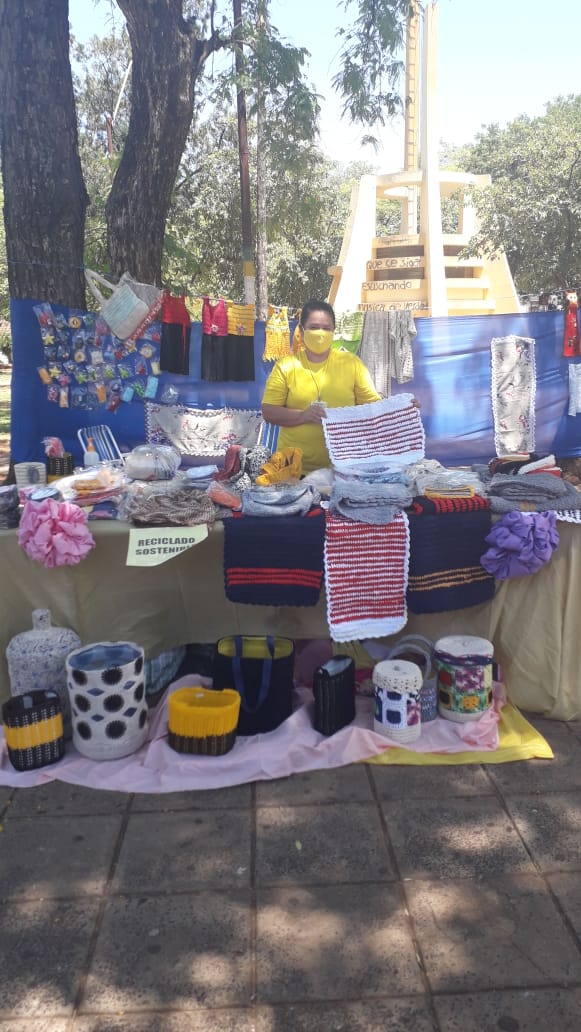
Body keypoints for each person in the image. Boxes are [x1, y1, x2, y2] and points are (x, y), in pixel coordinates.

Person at [261, 299, 381, 474]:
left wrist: (402, 408)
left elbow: (374, 408)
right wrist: (303, 415)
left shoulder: (352, 364)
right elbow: (269, 411)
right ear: (301, 331)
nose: (320, 333)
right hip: (293, 470)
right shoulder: (286, 366)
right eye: (314, 327)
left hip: (344, 468)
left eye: (326, 328)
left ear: (334, 332)